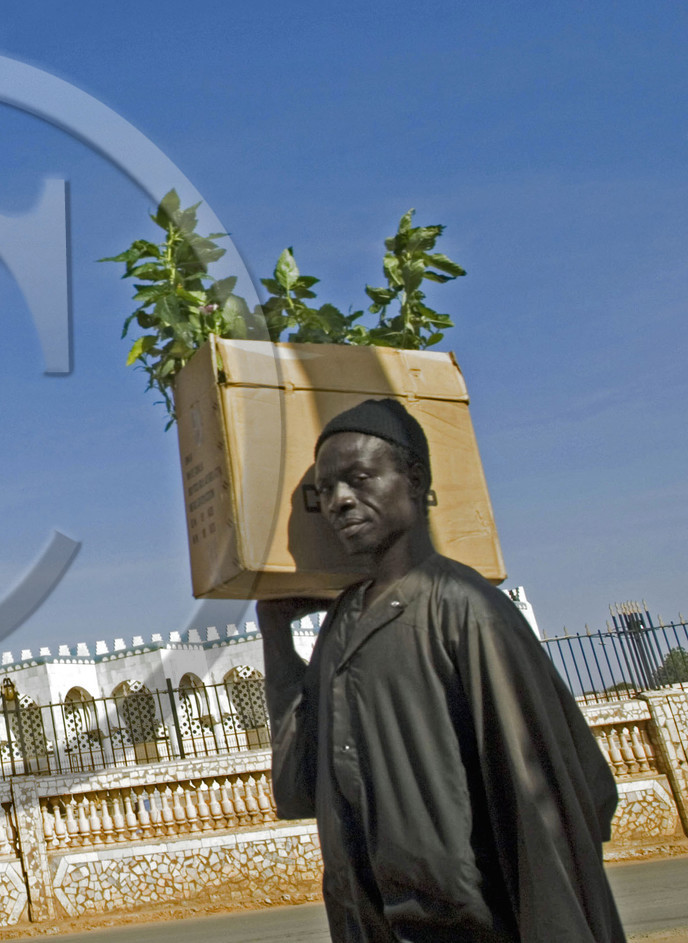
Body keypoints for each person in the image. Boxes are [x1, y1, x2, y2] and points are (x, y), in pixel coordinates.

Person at [258, 398, 625, 942]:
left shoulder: (463, 610)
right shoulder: (342, 628)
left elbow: (548, 803)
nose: (338, 501)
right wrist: (275, 635)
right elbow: (297, 788)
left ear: (415, 479)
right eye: (325, 490)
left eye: (359, 479)